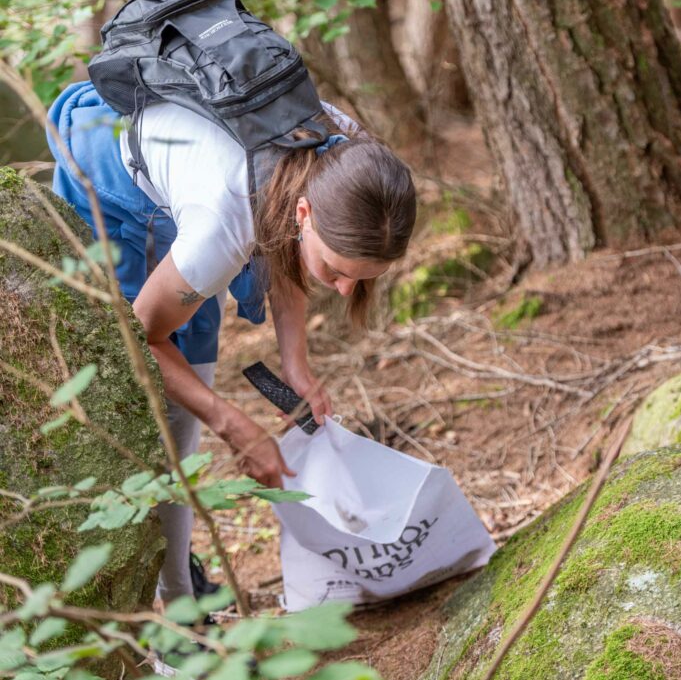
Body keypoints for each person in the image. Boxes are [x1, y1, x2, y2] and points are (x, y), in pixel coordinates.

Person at [47, 80, 416, 606]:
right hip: (111, 179)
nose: (343, 290)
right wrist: (234, 425)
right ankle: (179, 606)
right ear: (306, 214)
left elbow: (286, 238)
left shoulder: (350, 157)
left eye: (361, 278)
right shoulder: (219, 227)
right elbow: (141, 336)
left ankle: (177, 571)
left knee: (192, 371)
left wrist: (296, 363)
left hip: (206, 183)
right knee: (164, 409)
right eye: (336, 270)